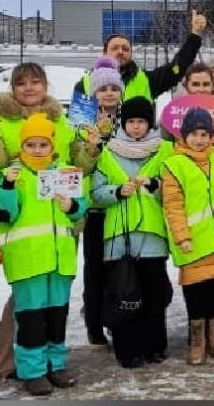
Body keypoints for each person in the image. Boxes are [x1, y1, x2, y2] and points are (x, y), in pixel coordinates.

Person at [0, 63, 91, 380]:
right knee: (28, 311)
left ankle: (53, 364)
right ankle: (24, 366)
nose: (29, 88)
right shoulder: (1, 121)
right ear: (13, 87)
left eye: (36, 82)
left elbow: (76, 163)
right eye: (22, 83)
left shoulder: (62, 120)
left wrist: (91, 150)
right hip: (26, 229)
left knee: (55, 312)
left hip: (58, 233)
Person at [0, 113, 88, 396]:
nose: (37, 150)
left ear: (52, 145)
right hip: (28, 260)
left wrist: (71, 204)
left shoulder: (66, 172)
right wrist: (7, 186)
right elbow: (6, 213)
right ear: (22, 145)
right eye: (30, 144)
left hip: (59, 260)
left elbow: (80, 210)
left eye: (42, 145)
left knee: (57, 316)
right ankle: (32, 371)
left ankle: (55, 364)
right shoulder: (11, 175)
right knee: (31, 320)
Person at [89, 96, 172, 368]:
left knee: (153, 296)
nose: (136, 127)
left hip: (152, 237)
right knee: (124, 298)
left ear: (150, 124)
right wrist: (116, 192)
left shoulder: (165, 151)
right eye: (132, 122)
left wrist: (154, 185)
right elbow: (95, 193)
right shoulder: (108, 152)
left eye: (142, 122)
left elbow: (175, 189)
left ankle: (155, 347)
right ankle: (127, 351)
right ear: (124, 124)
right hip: (119, 239)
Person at [162, 108, 214, 365]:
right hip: (195, 242)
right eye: (194, 134)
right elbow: (173, 205)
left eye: (204, 134)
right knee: (197, 295)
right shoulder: (173, 165)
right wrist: (182, 237)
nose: (199, 139)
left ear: (212, 136)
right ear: (184, 136)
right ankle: (197, 343)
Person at [77, 56, 124, 348]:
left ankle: (116, 320)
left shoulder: (128, 121)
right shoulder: (81, 123)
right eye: (102, 89)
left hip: (120, 204)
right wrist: (92, 145)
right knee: (94, 269)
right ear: (94, 93)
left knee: (117, 269)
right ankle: (94, 325)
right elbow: (78, 164)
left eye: (113, 89)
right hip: (94, 206)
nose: (108, 93)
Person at [73, 11, 207, 102]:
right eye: (114, 48)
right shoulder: (85, 84)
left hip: (138, 144)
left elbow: (179, 66)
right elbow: (79, 126)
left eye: (125, 49)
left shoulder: (147, 80)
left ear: (131, 54)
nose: (120, 51)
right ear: (104, 53)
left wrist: (195, 35)